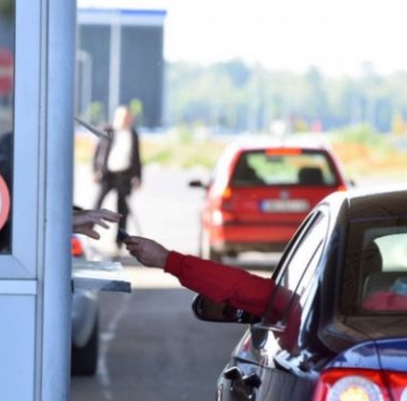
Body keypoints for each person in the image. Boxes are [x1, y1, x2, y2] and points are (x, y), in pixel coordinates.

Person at [123, 235, 275, 317]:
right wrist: (168, 260)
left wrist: (167, 260)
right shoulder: (293, 304)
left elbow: (252, 292)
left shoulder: (289, 304)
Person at [92, 105, 142, 249]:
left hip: (125, 175)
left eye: (128, 118)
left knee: (122, 211)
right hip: (107, 174)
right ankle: (87, 231)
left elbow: (137, 157)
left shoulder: (133, 134)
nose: (126, 120)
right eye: (123, 117)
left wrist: (138, 177)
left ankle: (120, 241)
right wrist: (95, 170)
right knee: (97, 204)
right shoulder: (108, 130)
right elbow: (97, 152)